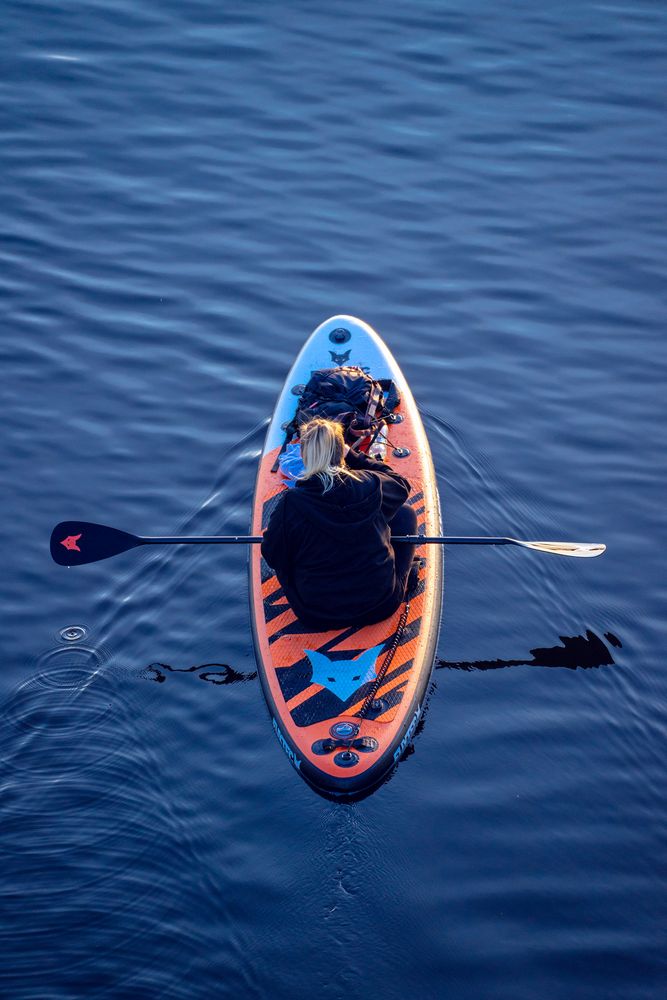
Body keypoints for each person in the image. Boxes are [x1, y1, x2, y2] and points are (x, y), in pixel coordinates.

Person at [261, 417, 418, 631]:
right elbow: (401, 485)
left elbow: (272, 554)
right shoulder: (369, 484)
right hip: (380, 605)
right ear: (339, 454)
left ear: (305, 457)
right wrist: (352, 454)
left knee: (284, 546)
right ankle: (406, 574)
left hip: (316, 614)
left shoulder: (290, 505)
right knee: (406, 515)